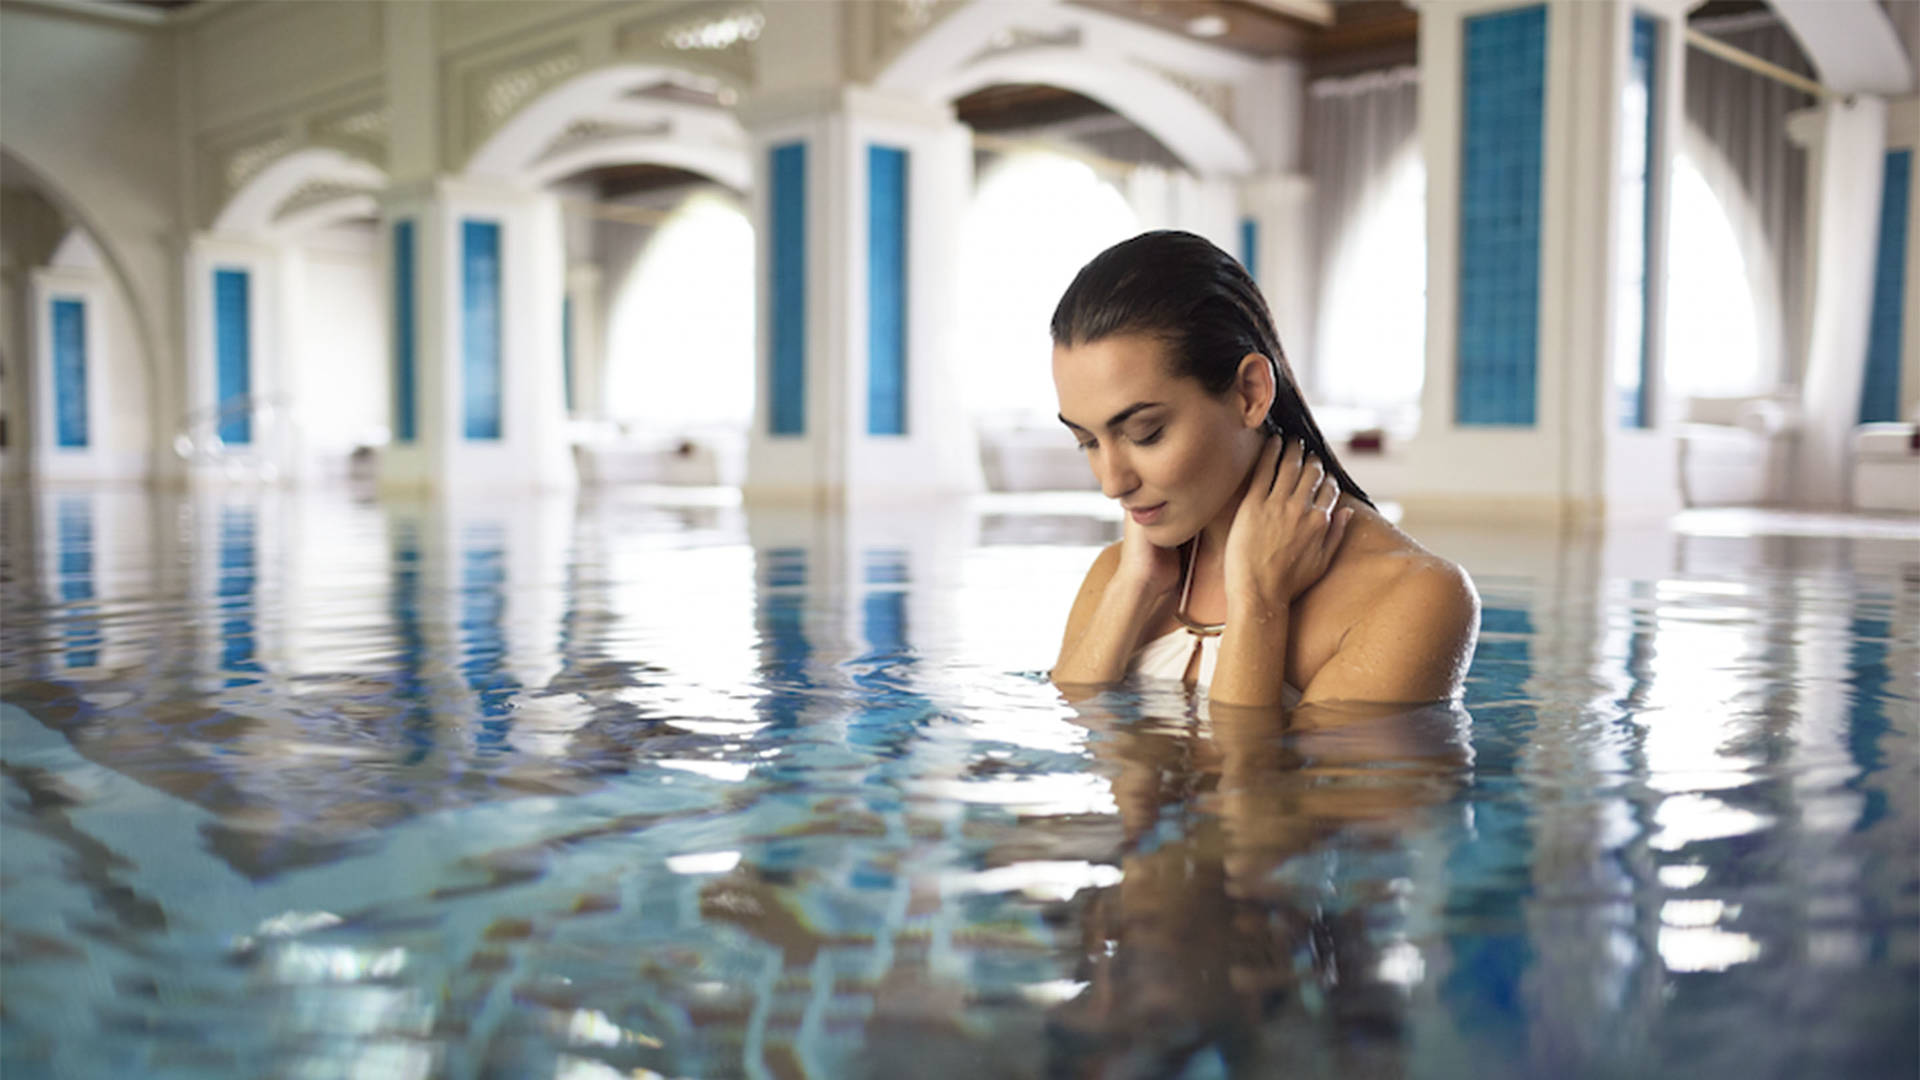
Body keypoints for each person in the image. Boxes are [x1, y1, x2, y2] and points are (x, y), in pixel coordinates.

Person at [1050, 230, 1479, 707]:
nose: (1113, 484)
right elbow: (1075, 746)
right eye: (1086, 442)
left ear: (1250, 393)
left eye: (1146, 433)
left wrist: (1258, 604)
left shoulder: (1412, 598)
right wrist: (1132, 591)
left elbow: (1253, 781)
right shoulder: (1122, 571)